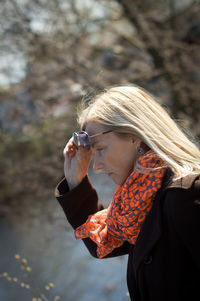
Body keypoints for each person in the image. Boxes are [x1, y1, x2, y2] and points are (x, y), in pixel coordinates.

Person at [55, 85, 200, 301]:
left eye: (101, 149)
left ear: (135, 136)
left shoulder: (185, 195)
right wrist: (76, 180)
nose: (96, 166)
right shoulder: (138, 203)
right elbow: (102, 243)